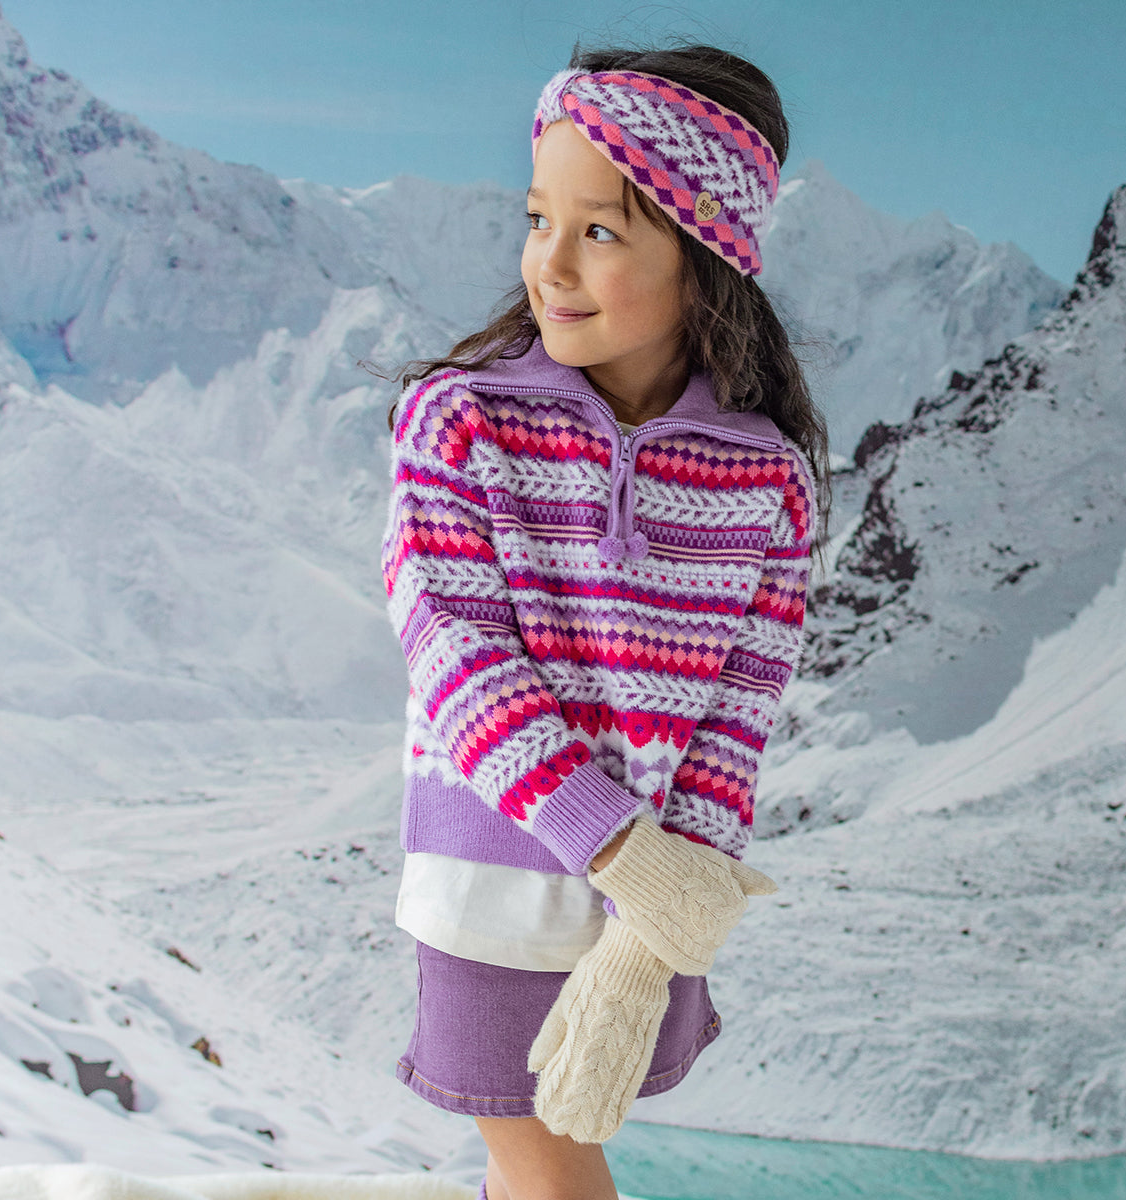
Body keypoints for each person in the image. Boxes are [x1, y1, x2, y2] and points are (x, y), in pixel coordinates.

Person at [380, 42, 830, 1200]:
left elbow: (737, 724)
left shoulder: (767, 482)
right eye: (540, 218)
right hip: (495, 875)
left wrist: (653, 929)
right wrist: (629, 856)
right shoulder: (459, 420)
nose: (550, 265)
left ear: (707, 260)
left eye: (601, 232)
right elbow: (454, 657)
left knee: (545, 1170)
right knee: (546, 1164)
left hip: (654, 900)